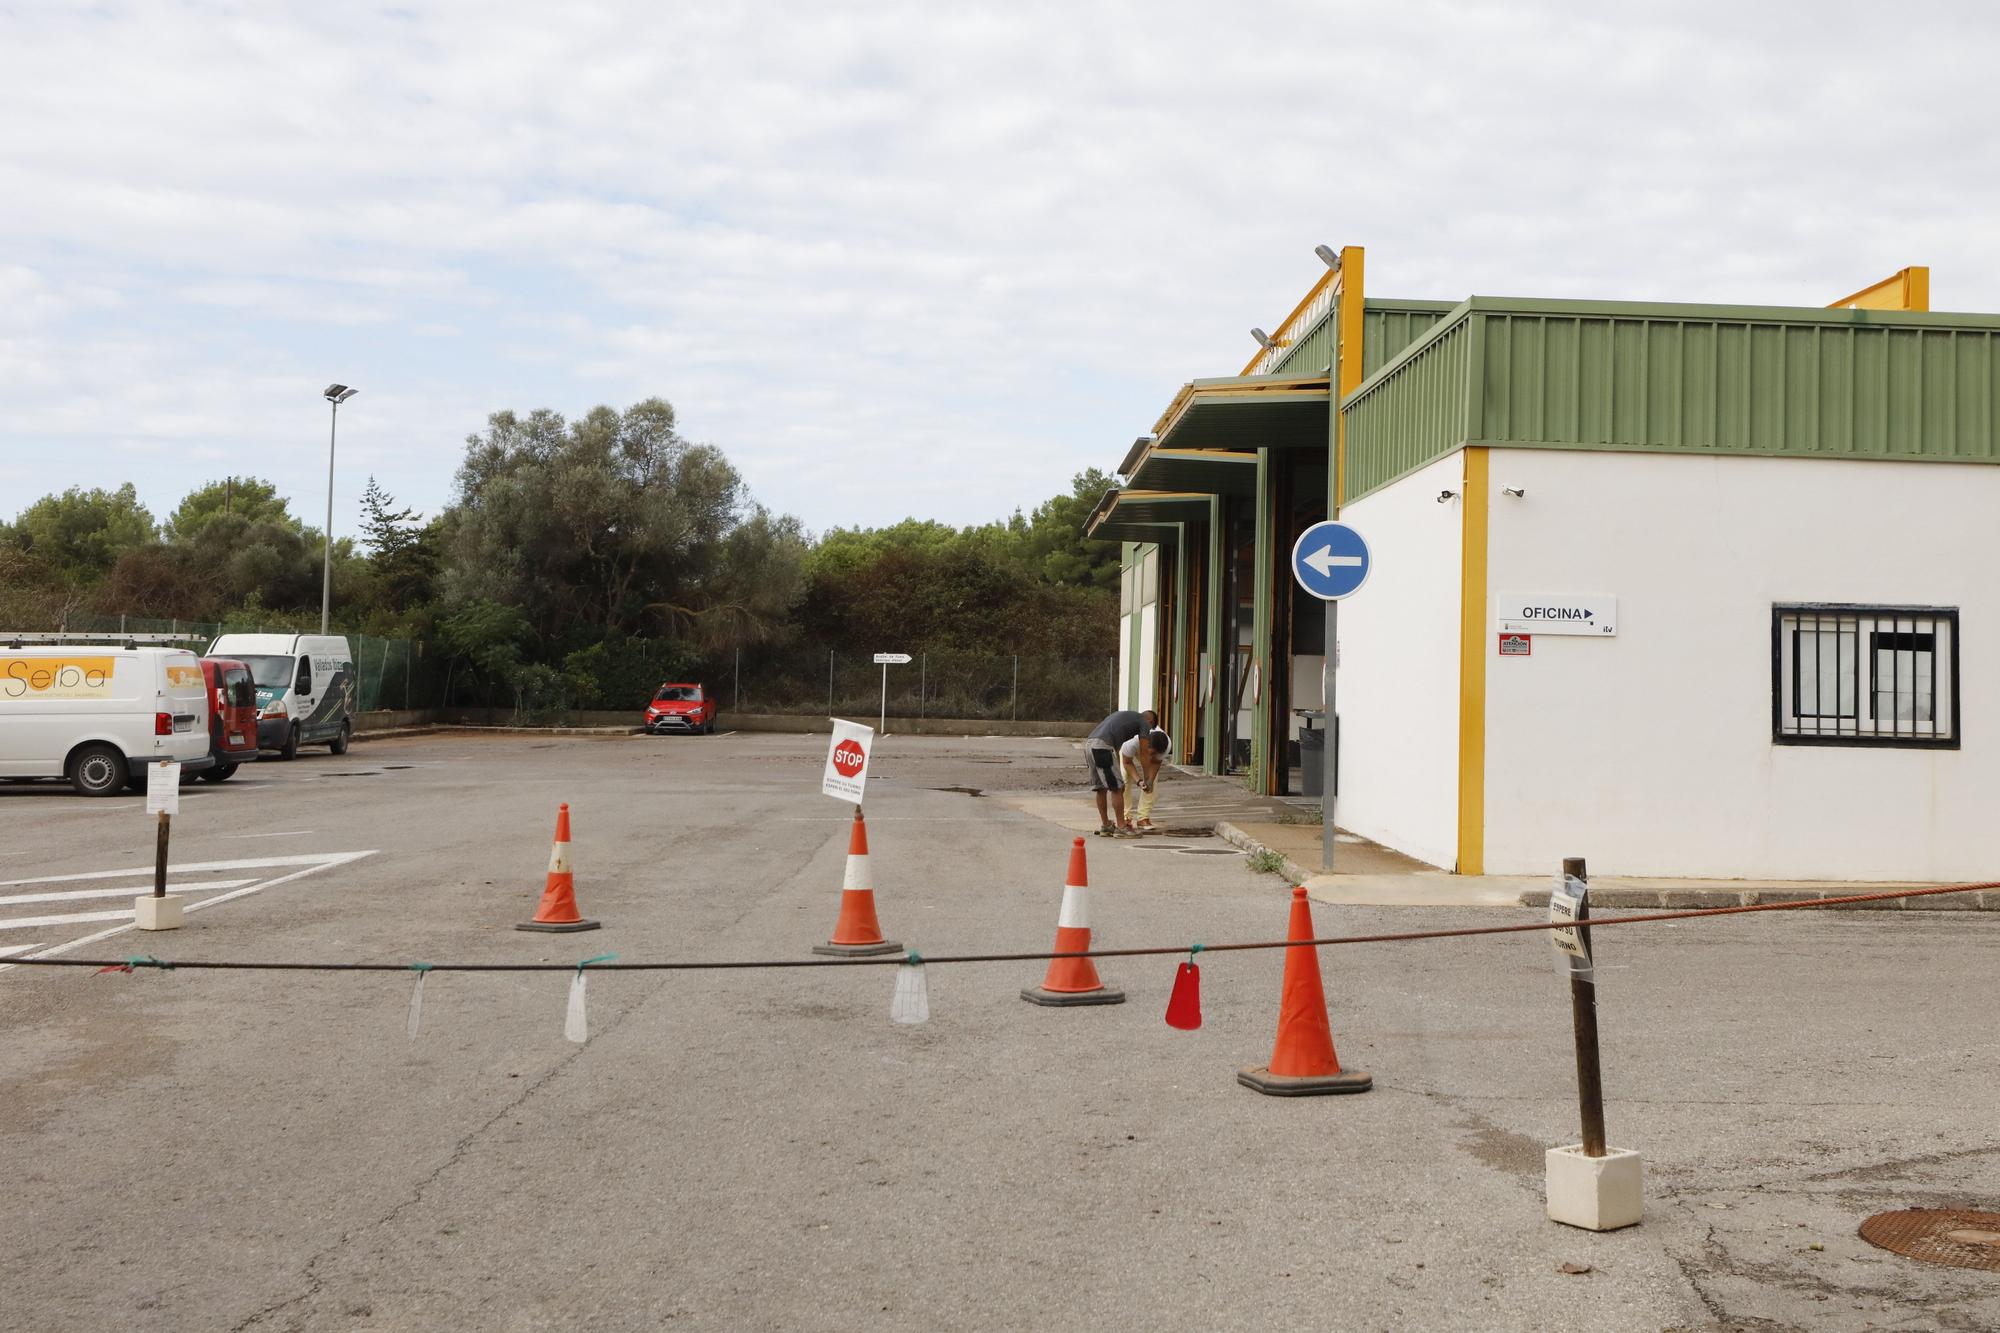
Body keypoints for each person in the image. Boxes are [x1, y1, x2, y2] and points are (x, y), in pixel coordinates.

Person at [1083, 707, 1157, 836]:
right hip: (1102, 748)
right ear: (1150, 721)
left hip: (1090, 745)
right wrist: (1147, 779)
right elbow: (1145, 753)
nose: (1147, 733)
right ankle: (1122, 827)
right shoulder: (1144, 722)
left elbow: (1116, 747)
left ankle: (1106, 826)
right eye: (1150, 730)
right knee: (1117, 788)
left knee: (1101, 788)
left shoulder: (1126, 717)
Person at [1119, 728, 1171, 832]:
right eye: (1150, 753)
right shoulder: (1131, 743)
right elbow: (1127, 763)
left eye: (1154, 754)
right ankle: (1125, 817)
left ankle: (1143, 818)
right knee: (1124, 779)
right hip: (1128, 750)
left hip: (1147, 748)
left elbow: (1155, 763)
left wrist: (1149, 781)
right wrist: (1138, 780)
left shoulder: (1166, 746)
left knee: (1152, 782)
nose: (1150, 757)